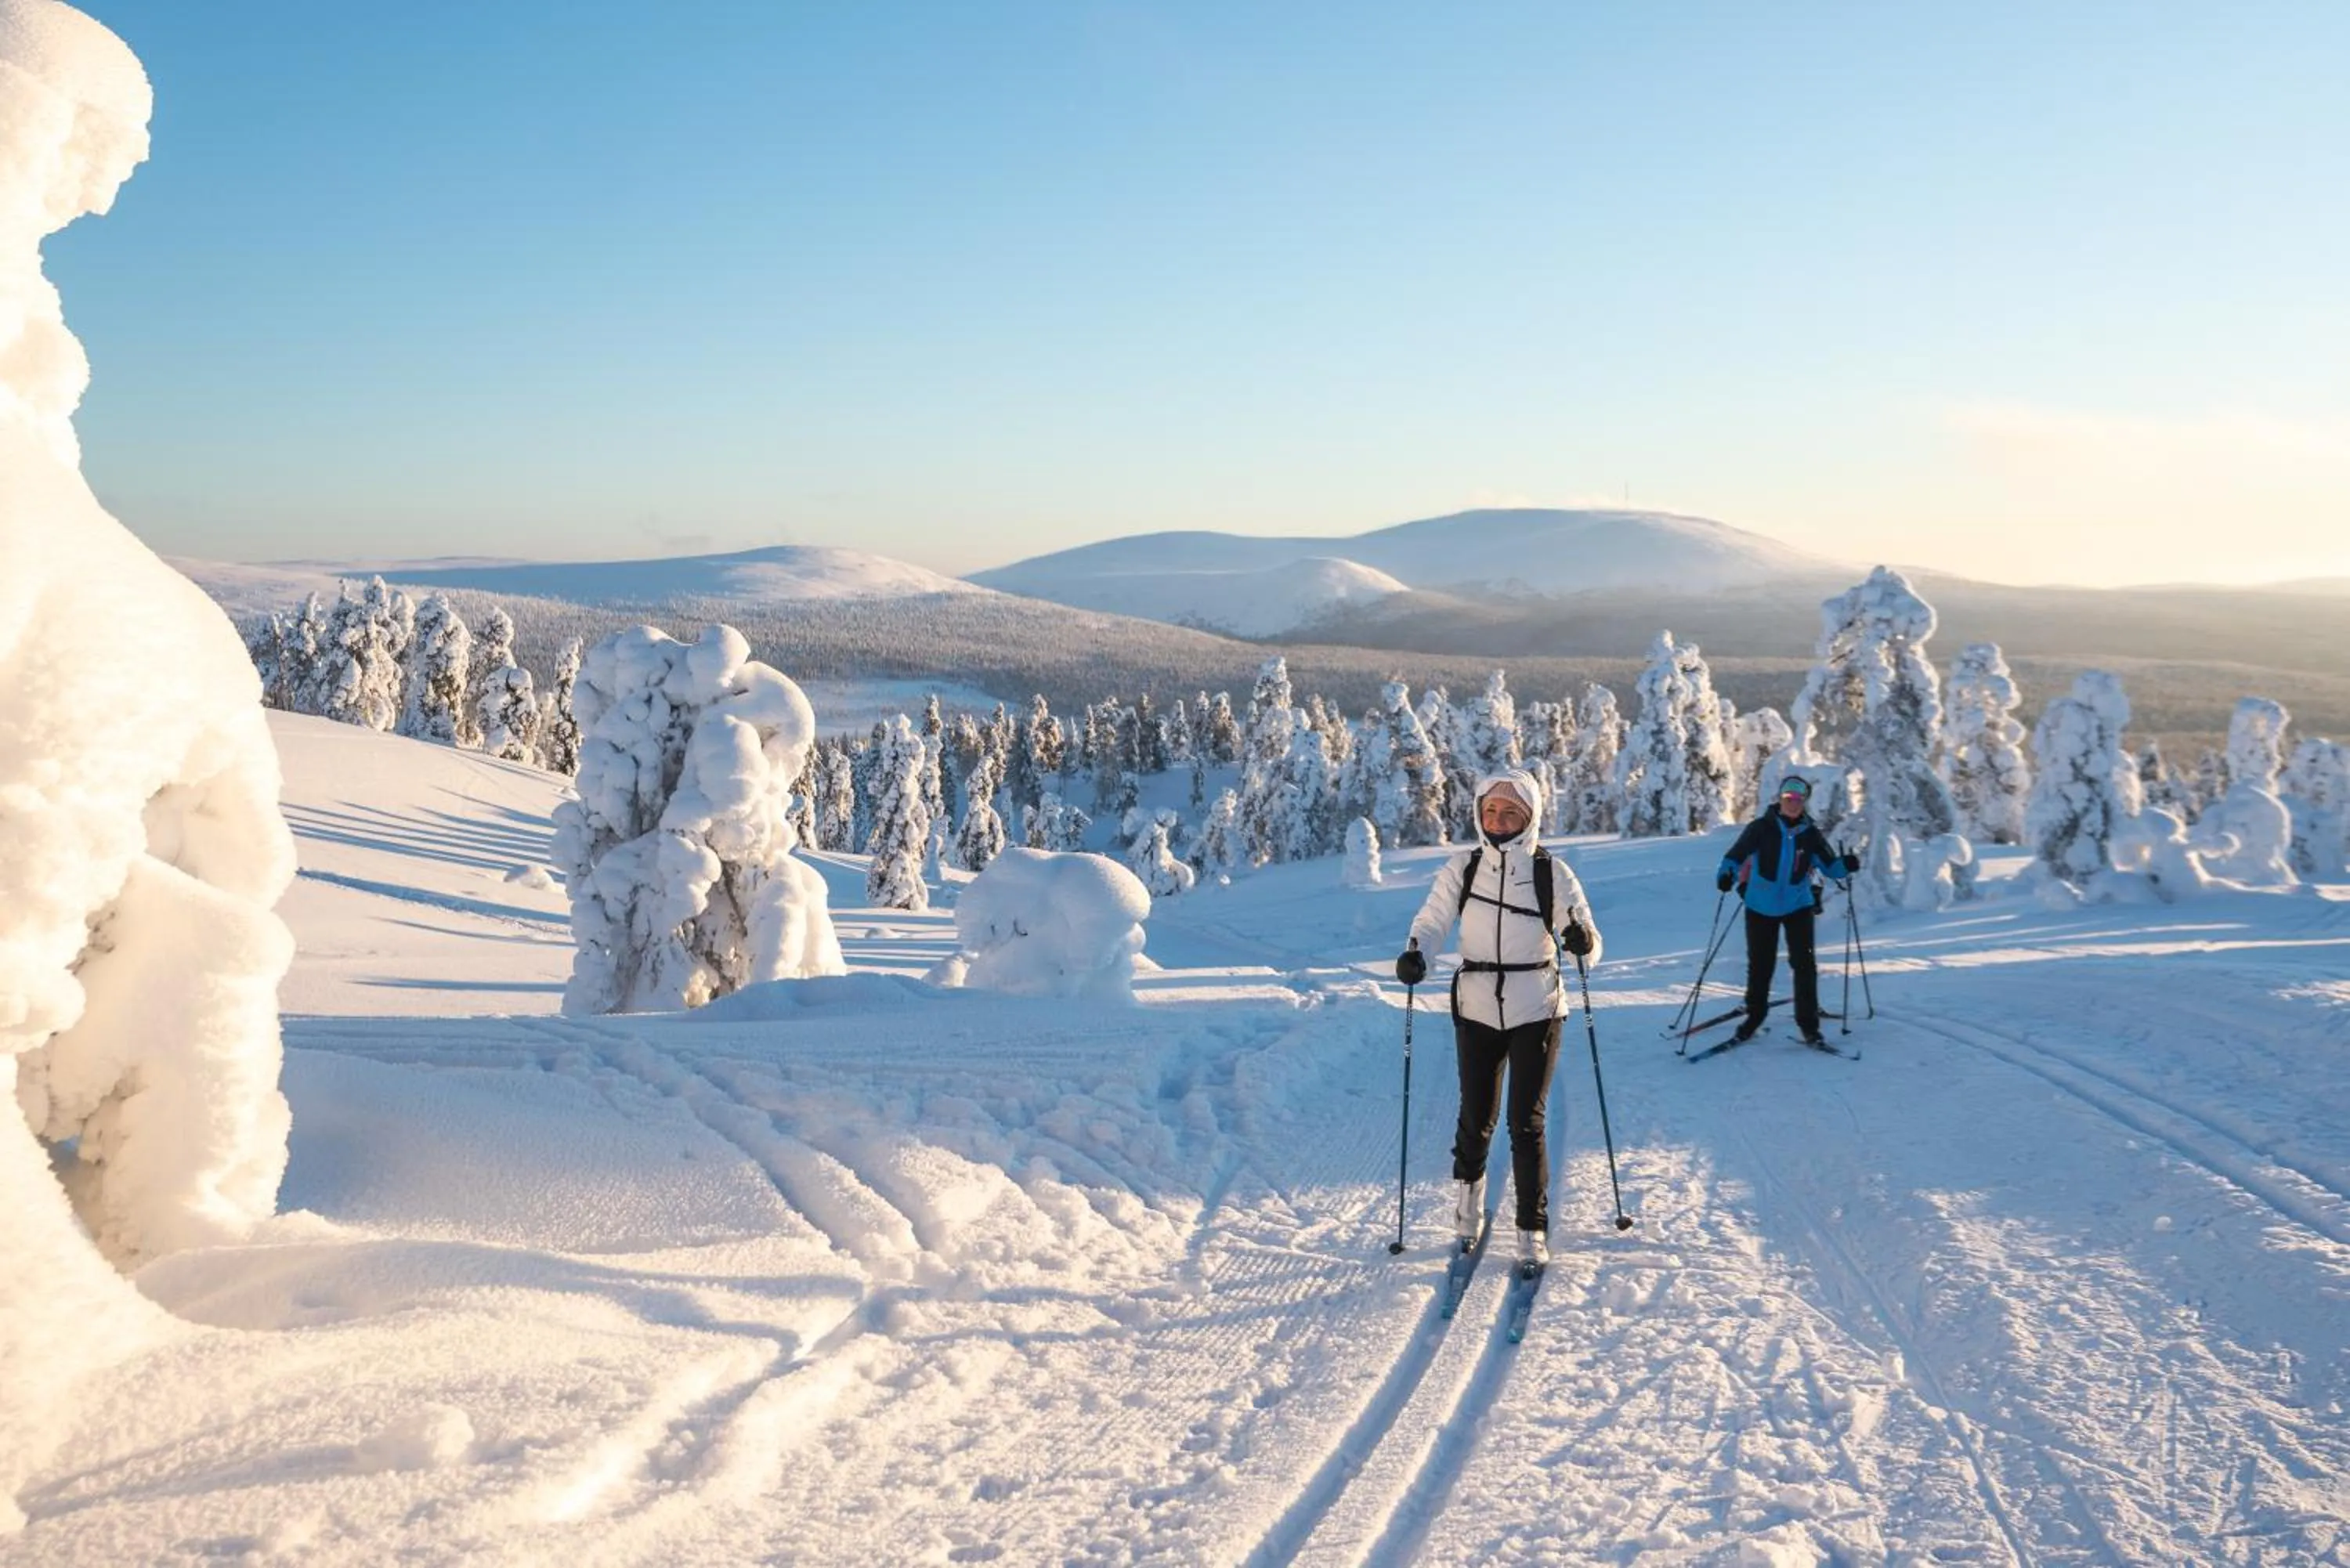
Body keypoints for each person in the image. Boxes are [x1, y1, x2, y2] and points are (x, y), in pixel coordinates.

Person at [1394, 770, 1601, 1270]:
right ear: (1478, 814)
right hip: (1478, 1005)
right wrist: (1416, 952)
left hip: (1539, 1006)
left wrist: (1582, 943)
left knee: (1525, 1123)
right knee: (1476, 1118)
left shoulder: (1552, 872)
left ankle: (1531, 1228)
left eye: (1511, 812)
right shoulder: (1463, 868)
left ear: (1529, 817)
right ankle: (1467, 1216)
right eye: (1490, 811)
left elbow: (1587, 938)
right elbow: (1433, 919)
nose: (1499, 820)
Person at [1715, 775, 1857, 1046]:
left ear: (1804, 802)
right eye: (1789, 798)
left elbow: (1830, 868)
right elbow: (1735, 856)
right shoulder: (1760, 828)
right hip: (1760, 906)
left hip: (1797, 906)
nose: (1793, 803)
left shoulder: (1811, 834)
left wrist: (1846, 864)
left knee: (1805, 966)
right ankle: (1754, 1019)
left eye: (1798, 799)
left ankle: (1809, 1028)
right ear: (1780, 799)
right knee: (1760, 966)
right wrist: (1726, 876)